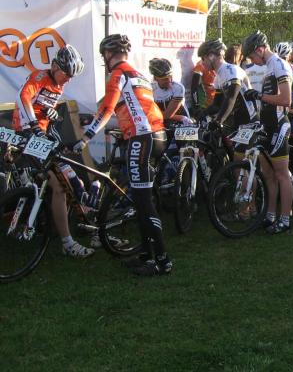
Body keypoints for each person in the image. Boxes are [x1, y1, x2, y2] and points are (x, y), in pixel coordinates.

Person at [74, 35, 171, 276]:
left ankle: (162, 261)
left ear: (108, 54)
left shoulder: (118, 74)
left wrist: (85, 137)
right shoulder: (139, 76)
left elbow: (107, 108)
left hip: (142, 139)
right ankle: (147, 254)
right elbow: (128, 111)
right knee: (140, 199)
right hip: (155, 136)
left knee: (144, 203)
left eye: (104, 56)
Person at [12, 45, 96, 258]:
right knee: (61, 185)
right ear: (55, 66)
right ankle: (69, 240)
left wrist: (50, 114)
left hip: (41, 134)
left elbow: (40, 107)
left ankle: (85, 220)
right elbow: (23, 97)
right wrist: (34, 125)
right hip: (27, 133)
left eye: (72, 77)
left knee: (69, 180)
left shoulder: (58, 84)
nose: (68, 80)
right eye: (66, 74)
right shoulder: (40, 76)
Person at [241, 31, 293, 234]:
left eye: (252, 56)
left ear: (260, 49)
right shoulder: (269, 66)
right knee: (268, 174)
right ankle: (270, 215)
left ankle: (285, 219)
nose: (252, 61)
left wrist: (259, 96)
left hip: (279, 125)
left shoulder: (279, 65)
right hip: (267, 125)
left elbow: (286, 100)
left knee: (281, 174)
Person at [149, 58, 191, 125]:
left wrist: (181, 118)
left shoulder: (178, 87)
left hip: (181, 123)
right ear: (155, 78)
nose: (169, 81)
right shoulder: (149, 89)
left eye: (170, 77)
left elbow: (167, 115)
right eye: (165, 79)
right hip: (162, 122)